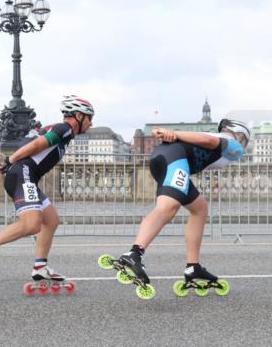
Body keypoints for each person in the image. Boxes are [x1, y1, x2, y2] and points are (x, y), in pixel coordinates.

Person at [104, 118, 250, 297]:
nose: (242, 145)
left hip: (167, 159)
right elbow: (209, 142)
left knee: (200, 209)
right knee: (168, 208)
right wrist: (174, 133)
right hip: (174, 158)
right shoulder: (232, 145)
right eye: (243, 139)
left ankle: (193, 266)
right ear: (236, 134)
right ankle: (134, 254)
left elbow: (204, 142)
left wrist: (174, 135)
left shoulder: (218, 141)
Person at [0, 95, 94, 290]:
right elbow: (36, 145)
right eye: (89, 118)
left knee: (51, 220)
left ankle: (40, 267)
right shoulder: (64, 129)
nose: (91, 123)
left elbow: (31, 141)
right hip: (23, 174)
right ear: (79, 115)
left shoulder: (57, 129)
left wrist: (12, 162)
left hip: (26, 176)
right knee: (32, 224)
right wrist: (10, 160)